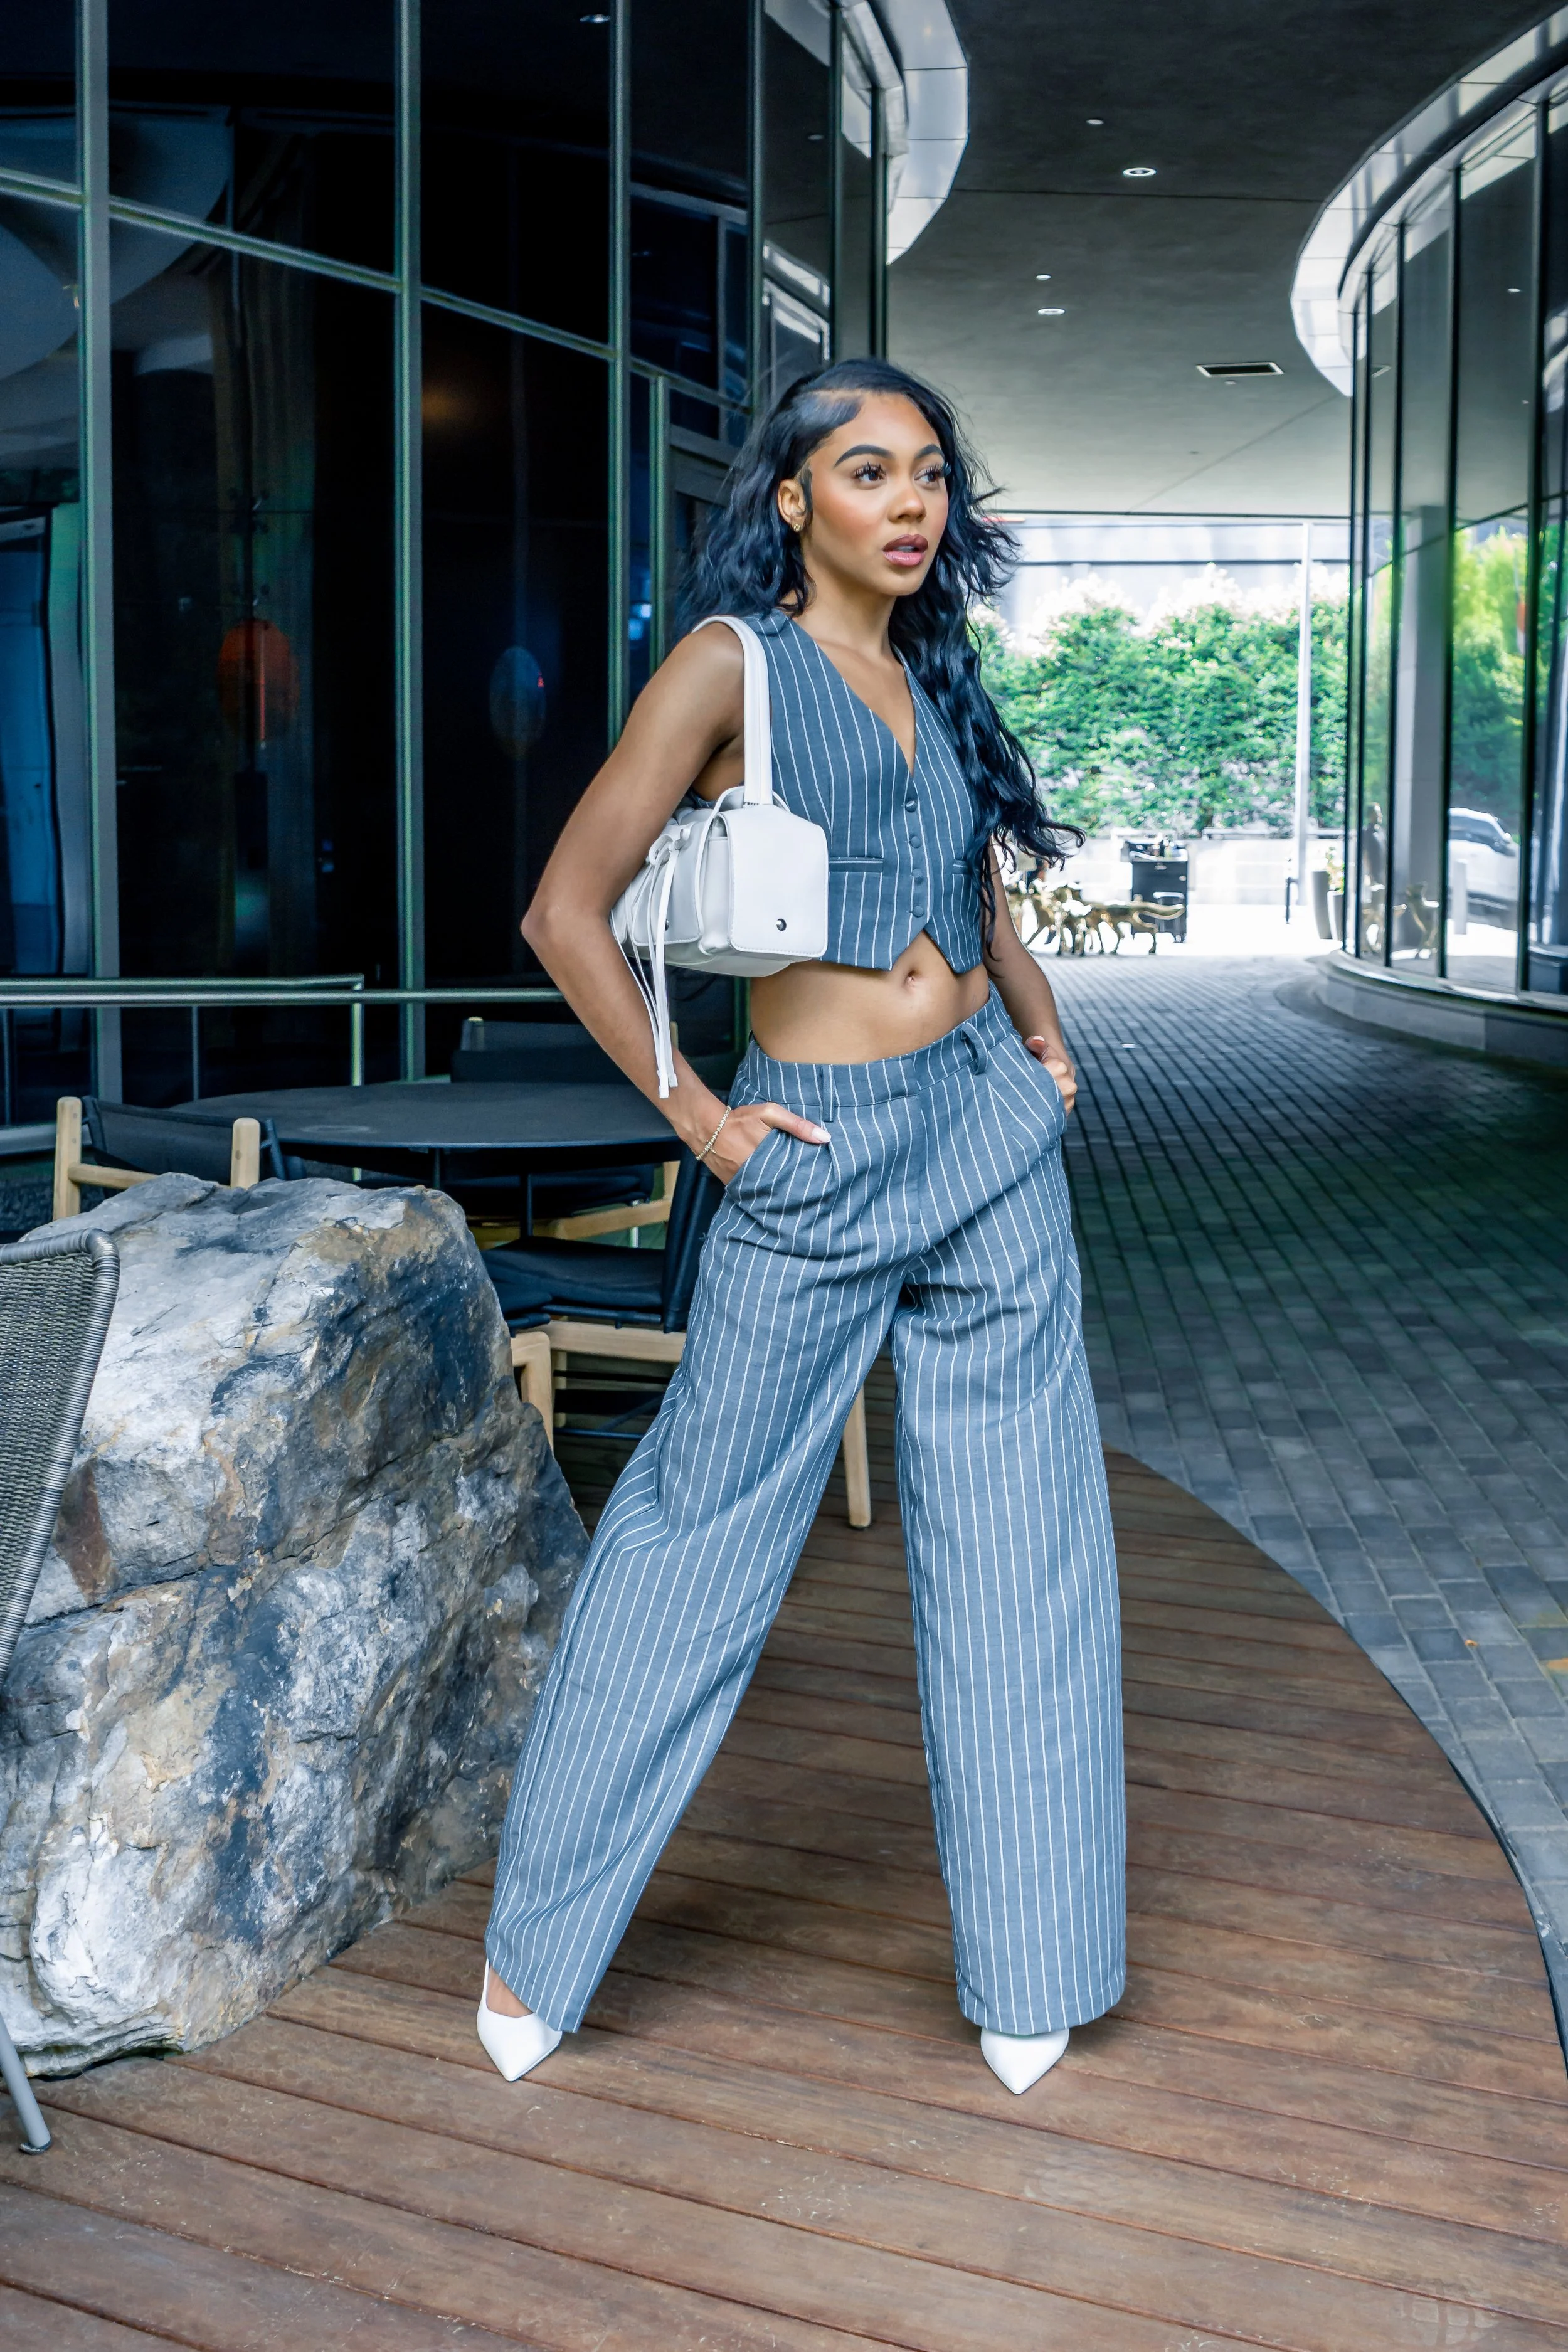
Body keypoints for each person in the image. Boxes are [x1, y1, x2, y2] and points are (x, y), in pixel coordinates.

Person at [479, 359, 1125, 2097]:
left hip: (984, 1130)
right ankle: (538, 1948)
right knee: (693, 1524)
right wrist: (695, 1115)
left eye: (926, 474)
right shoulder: (730, 666)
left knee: (1024, 1536)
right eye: (866, 471)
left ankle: (1035, 1957)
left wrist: (1049, 1049)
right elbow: (565, 907)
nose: (908, 502)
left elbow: (976, 903)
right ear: (791, 499)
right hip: (809, 1153)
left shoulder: (934, 669)